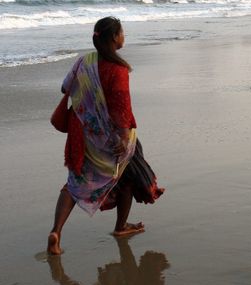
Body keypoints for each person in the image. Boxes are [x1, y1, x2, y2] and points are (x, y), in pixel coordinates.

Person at [47, 17, 164, 255]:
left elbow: (64, 88)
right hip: (113, 141)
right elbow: (122, 107)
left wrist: (88, 96)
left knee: (74, 183)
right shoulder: (118, 69)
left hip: (85, 137)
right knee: (128, 178)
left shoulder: (84, 61)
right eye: (122, 33)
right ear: (114, 37)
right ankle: (121, 227)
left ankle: (56, 232)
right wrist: (122, 138)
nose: (124, 37)